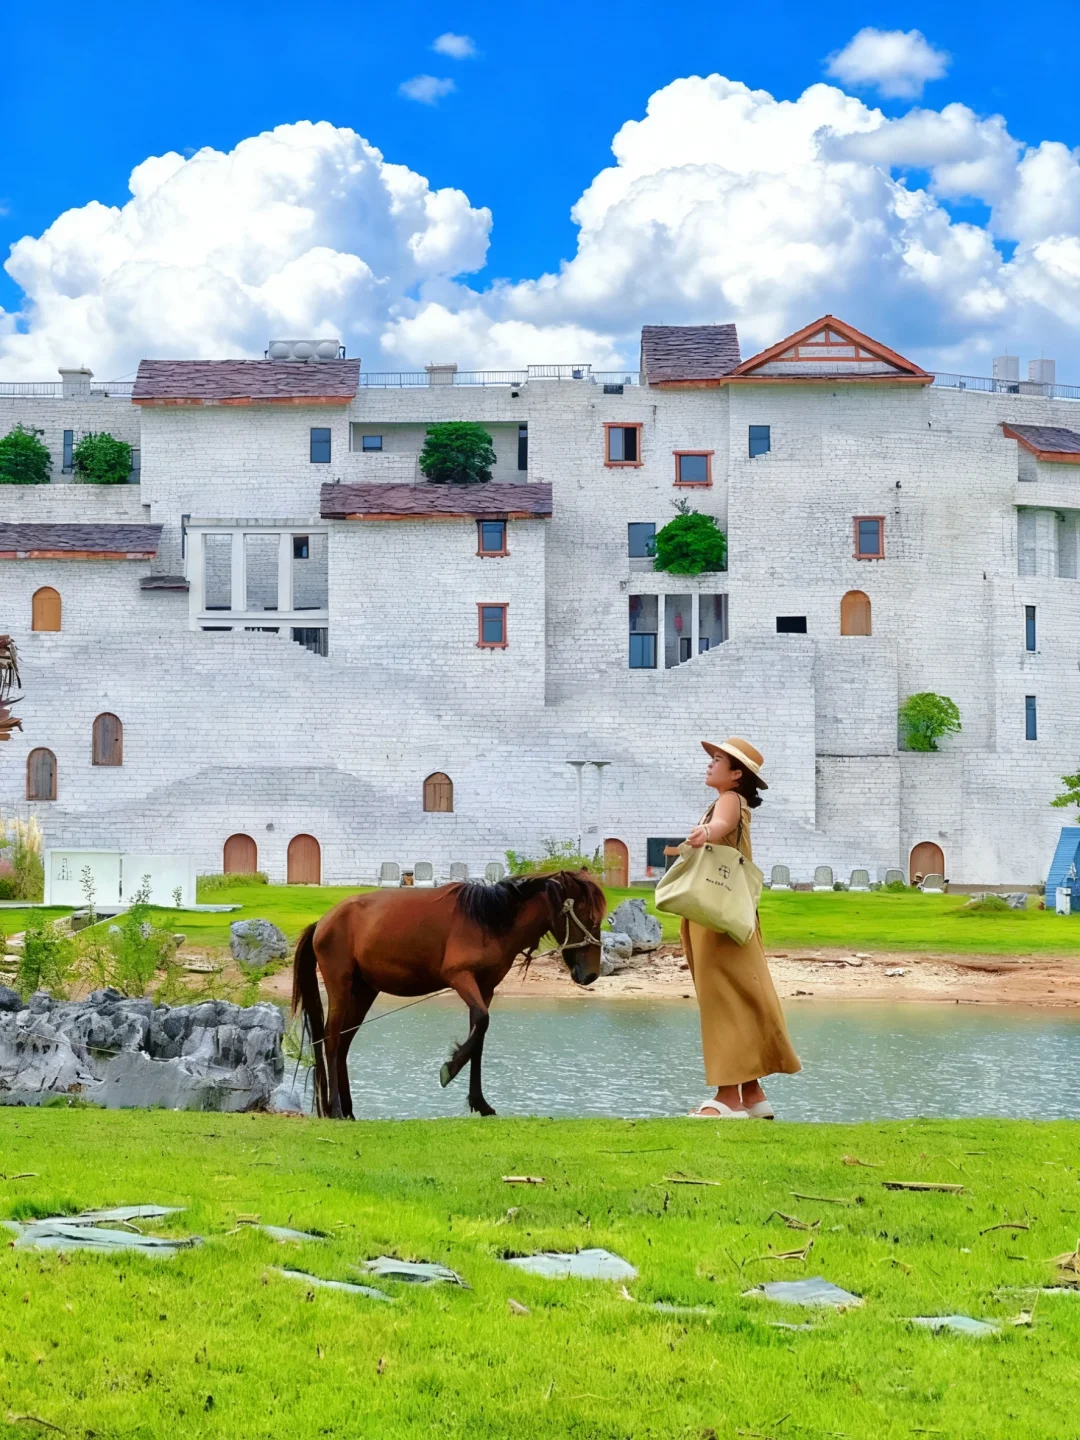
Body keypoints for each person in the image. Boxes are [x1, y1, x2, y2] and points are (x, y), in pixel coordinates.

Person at [681, 737, 801, 1118]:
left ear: (736, 775)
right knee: (741, 995)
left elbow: (721, 825)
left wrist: (706, 833)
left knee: (723, 1002)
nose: (709, 764)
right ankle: (752, 1094)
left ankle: (727, 1098)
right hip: (725, 914)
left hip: (718, 918)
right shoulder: (730, 800)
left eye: (717, 760)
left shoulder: (728, 800)